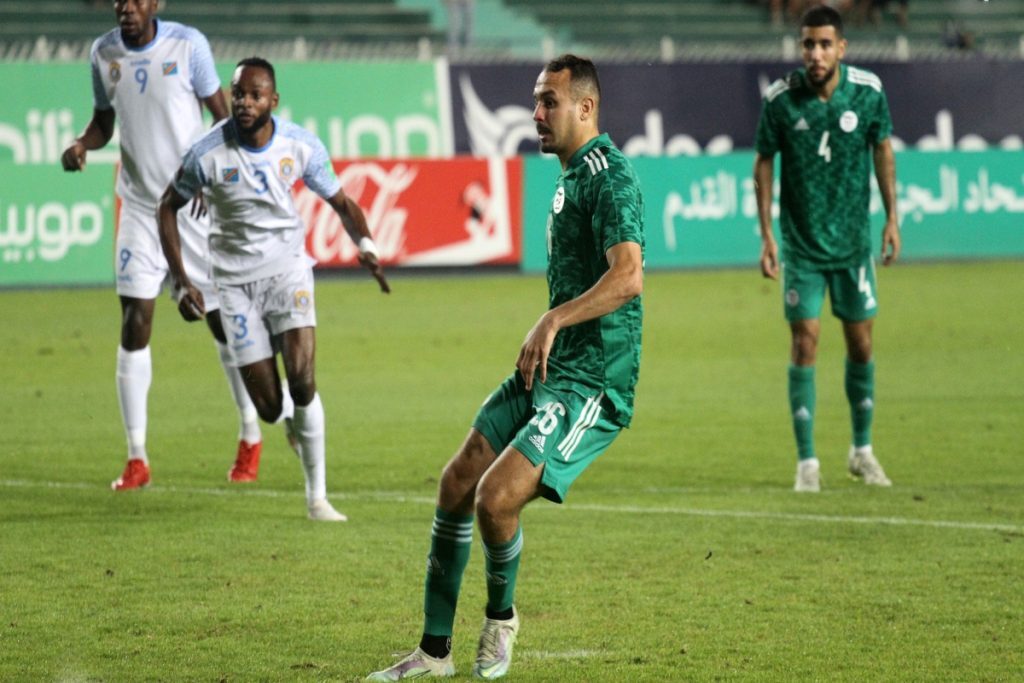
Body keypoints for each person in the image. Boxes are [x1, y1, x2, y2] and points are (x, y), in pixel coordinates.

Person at [366, 53, 644, 681]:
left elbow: (628, 276)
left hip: (594, 384)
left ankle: (501, 619)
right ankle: (433, 653)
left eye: (549, 101)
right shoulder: (572, 175)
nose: (536, 112)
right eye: (536, 99)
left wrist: (551, 320)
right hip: (550, 369)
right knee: (456, 481)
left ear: (586, 108)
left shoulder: (610, 178)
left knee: (495, 500)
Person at [157, 57, 390, 522]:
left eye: (254, 95)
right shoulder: (206, 153)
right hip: (234, 285)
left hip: (288, 272)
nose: (244, 103)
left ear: (273, 101)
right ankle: (287, 423)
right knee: (268, 407)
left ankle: (317, 498)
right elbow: (167, 207)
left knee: (303, 380)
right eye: (238, 94)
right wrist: (181, 282)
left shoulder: (299, 145)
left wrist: (364, 244)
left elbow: (341, 202)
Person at [61, 0, 267, 491]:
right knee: (135, 318)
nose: (127, 7)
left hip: (188, 205)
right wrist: (82, 144)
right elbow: (104, 122)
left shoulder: (188, 45)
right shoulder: (103, 53)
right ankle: (137, 457)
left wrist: (212, 178)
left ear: (156, 3)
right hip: (138, 207)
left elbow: (223, 118)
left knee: (220, 322)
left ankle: (250, 431)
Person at [753, 5, 901, 492]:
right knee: (805, 341)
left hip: (854, 246)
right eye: (808, 45)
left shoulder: (868, 92)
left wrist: (892, 218)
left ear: (841, 47)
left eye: (824, 44)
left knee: (862, 344)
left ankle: (862, 451)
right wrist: (767, 234)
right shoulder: (781, 100)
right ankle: (807, 463)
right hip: (803, 248)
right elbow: (763, 162)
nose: (815, 54)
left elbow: (882, 150)